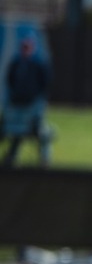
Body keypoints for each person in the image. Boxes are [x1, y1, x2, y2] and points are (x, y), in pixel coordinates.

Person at [2, 33, 52, 169]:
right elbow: (10, 80)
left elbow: (44, 84)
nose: (25, 49)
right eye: (23, 47)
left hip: (31, 107)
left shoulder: (39, 64)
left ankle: (44, 159)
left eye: (27, 47)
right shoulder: (16, 63)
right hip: (16, 107)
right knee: (15, 131)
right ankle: (11, 156)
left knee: (41, 132)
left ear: (33, 48)